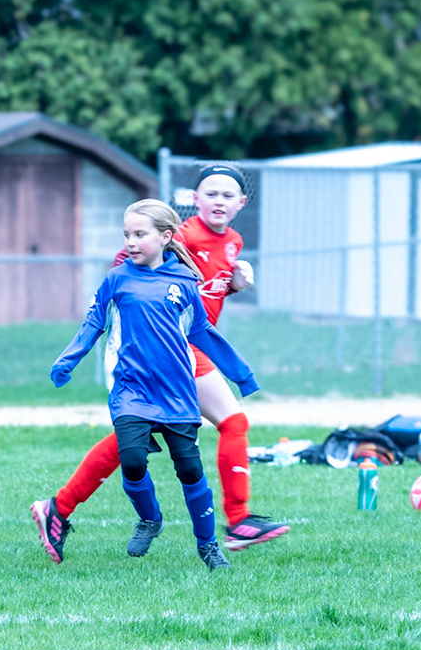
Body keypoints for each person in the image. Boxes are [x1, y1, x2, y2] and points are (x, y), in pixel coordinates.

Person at [31, 163, 288, 559]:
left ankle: (60, 508)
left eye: (227, 195)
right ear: (195, 200)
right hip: (160, 348)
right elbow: (134, 265)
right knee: (155, 435)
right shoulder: (181, 234)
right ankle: (235, 521)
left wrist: (235, 286)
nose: (219, 201)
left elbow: (199, 300)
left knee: (140, 439)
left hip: (189, 346)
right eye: (211, 193)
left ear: (242, 202)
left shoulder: (232, 242)